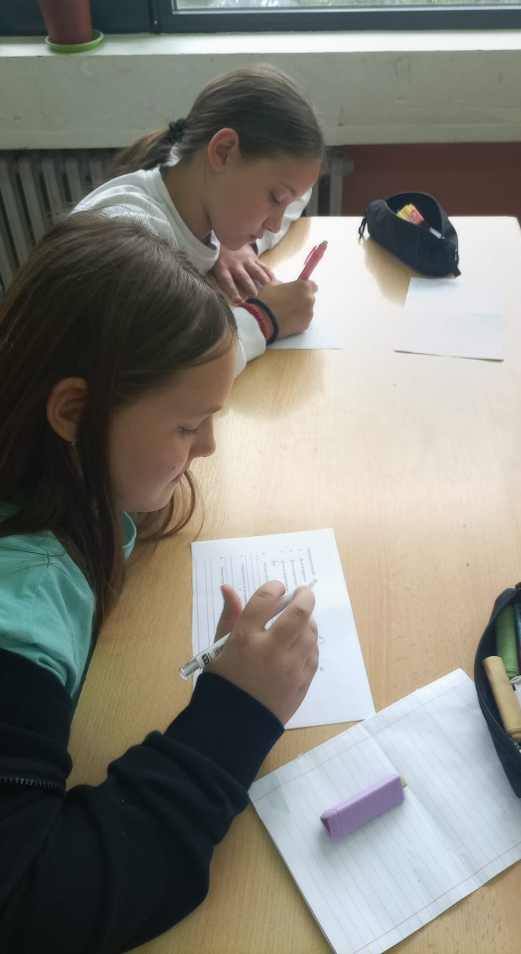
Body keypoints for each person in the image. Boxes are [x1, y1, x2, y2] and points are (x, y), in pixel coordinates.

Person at [0, 213, 319, 953]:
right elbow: (33, 906)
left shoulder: (49, 470)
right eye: (186, 426)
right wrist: (235, 718)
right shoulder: (22, 612)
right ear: (74, 413)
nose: (207, 446)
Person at [74, 64, 326, 375]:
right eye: (275, 198)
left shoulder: (194, 187)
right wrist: (265, 319)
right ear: (223, 152)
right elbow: (167, 375)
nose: (274, 224)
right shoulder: (131, 237)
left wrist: (234, 244)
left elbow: (300, 189)